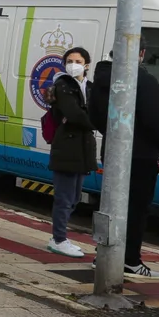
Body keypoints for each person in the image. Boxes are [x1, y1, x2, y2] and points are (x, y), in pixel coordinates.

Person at [92, 48, 159, 279]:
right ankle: (130, 261)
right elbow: (153, 119)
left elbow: (95, 116)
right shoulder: (145, 81)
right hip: (141, 154)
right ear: (143, 52)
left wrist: (114, 132)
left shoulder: (102, 78)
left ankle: (103, 255)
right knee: (136, 210)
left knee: (111, 207)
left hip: (113, 151)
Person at [46, 47, 97, 256]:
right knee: (64, 198)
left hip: (83, 148)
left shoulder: (91, 87)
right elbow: (75, 114)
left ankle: (59, 237)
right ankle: (58, 239)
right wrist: (91, 119)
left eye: (77, 60)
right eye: (69, 60)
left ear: (86, 64)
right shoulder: (63, 86)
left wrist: (87, 117)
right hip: (66, 147)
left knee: (75, 197)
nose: (73, 64)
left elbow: (97, 110)